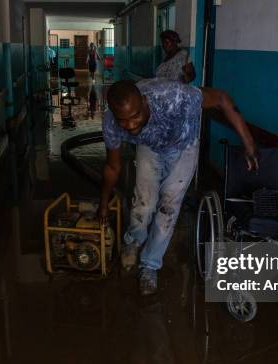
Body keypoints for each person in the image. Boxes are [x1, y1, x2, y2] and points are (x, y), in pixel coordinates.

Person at [98, 79, 258, 296]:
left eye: (135, 116)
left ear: (145, 102)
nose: (131, 125)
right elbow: (112, 167)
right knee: (144, 204)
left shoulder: (174, 97)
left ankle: (150, 266)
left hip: (184, 146)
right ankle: (134, 240)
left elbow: (222, 98)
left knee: (167, 211)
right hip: (151, 146)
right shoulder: (111, 122)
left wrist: (249, 144)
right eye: (123, 120)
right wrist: (103, 204)